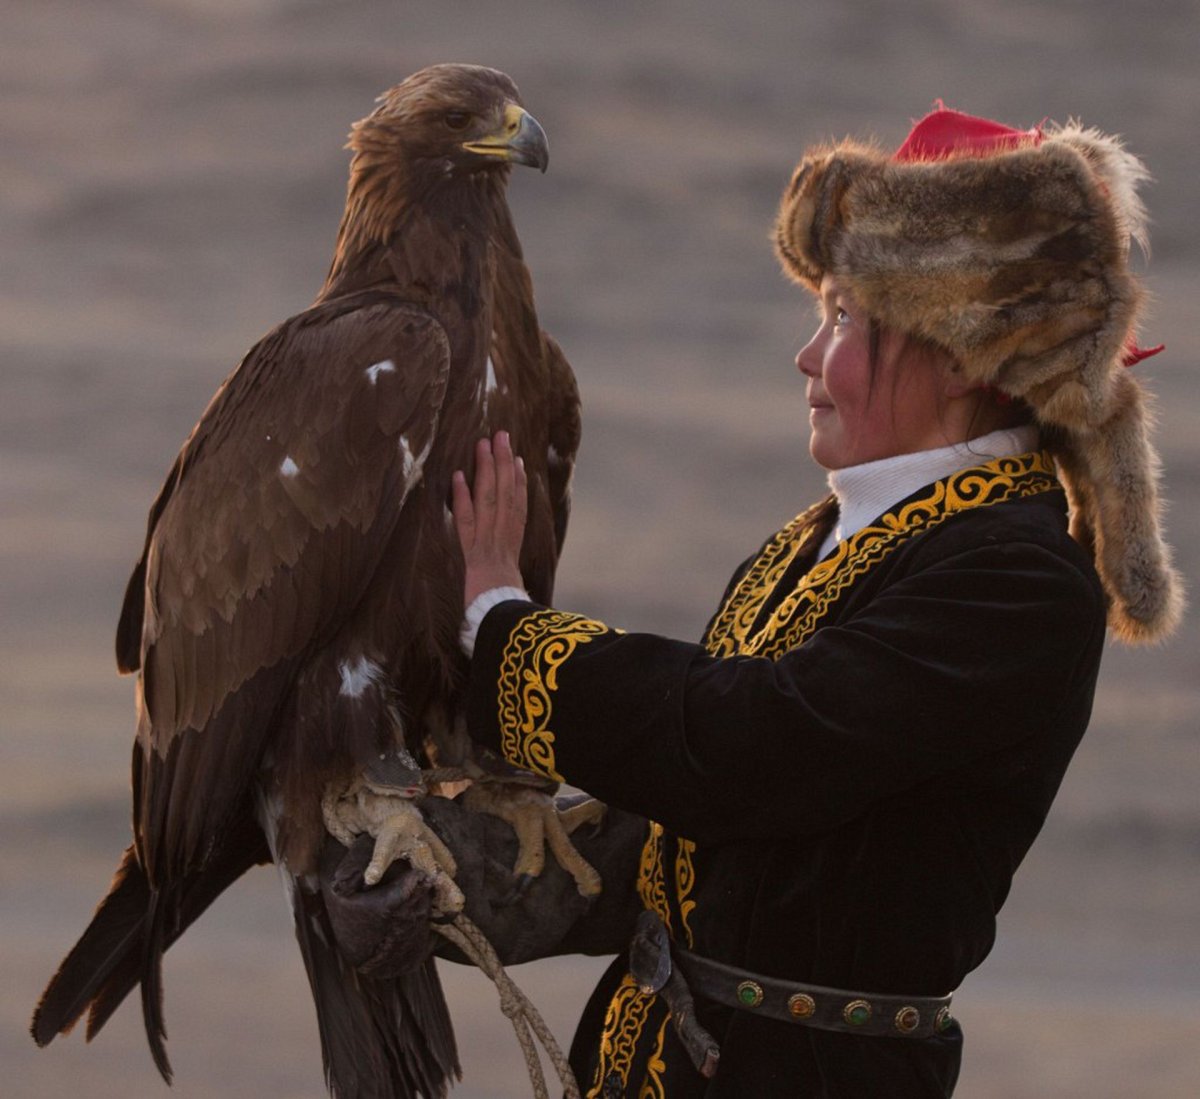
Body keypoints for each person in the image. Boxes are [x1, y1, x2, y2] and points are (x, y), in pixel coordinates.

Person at [332, 107, 1182, 1097]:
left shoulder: (1016, 577)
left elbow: (753, 751)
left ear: (961, 351)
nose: (809, 356)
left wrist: (502, 628)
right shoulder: (825, 537)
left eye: (843, 318)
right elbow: (722, 839)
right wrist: (456, 878)